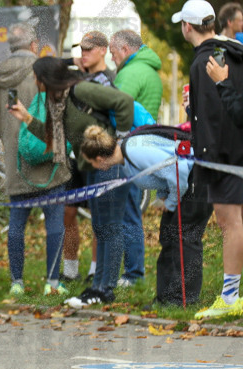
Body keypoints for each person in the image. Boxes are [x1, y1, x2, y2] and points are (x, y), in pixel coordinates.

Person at [8, 56, 135, 308]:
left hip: (109, 164)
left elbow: (125, 102)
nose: (35, 82)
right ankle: (98, 286)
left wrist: (119, 145)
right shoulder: (58, 102)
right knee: (100, 226)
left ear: (45, 79)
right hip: (90, 167)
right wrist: (27, 118)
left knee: (110, 226)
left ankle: (106, 288)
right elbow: (55, 139)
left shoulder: (81, 89)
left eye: (36, 77)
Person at [80, 125, 211, 306]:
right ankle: (165, 297)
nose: (93, 167)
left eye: (91, 162)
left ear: (100, 159)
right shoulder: (125, 159)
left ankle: (183, 299)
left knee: (183, 236)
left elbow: (178, 170)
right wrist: (162, 197)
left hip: (197, 177)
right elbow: (161, 171)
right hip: (184, 181)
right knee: (167, 235)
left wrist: (171, 202)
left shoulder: (134, 151)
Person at [0, 22, 69, 297]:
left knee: (17, 225)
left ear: (11, 45)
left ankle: (16, 283)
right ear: (34, 45)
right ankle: (53, 283)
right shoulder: (45, 71)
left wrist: (13, 141)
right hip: (49, 163)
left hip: (15, 163)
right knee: (55, 223)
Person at [176, 0, 243, 318]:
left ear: (187, 26)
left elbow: (211, 115)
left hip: (223, 156)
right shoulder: (232, 50)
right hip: (234, 151)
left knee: (229, 223)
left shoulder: (205, 60)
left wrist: (206, 158)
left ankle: (230, 298)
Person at [111, 29, 163, 287]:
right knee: (130, 211)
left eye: (112, 53)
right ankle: (133, 270)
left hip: (127, 149)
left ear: (124, 49)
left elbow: (114, 107)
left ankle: (132, 273)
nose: (112, 59)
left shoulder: (130, 73)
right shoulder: (150, 70)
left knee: (126, 212)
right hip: (143, 145)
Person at [60, 31, 110, 285]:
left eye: (90, 49)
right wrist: (72, 61)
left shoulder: (110, 79)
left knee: (98, 217)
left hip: (98, 158)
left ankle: (95, 270)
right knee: (68, 212)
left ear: (103, 50)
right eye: (82, 49)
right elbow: (46, 65)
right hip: (74, 157)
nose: (84, 53)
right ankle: (70, 270)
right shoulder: (77, 76)